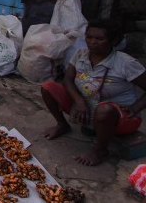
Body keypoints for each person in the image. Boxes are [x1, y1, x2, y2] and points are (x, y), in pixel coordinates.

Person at [41, 20, 146, 166]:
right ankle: (62, 125)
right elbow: (68, 80)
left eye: (99, 39)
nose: (92, 42)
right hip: (87, 108)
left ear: (113, 40)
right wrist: (79, 101)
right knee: (48, 87)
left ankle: (100, 150)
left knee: (104, 110)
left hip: (117, 116)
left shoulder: (126, 63)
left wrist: (134, 109)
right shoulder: (80, 55)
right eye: (89, 37)